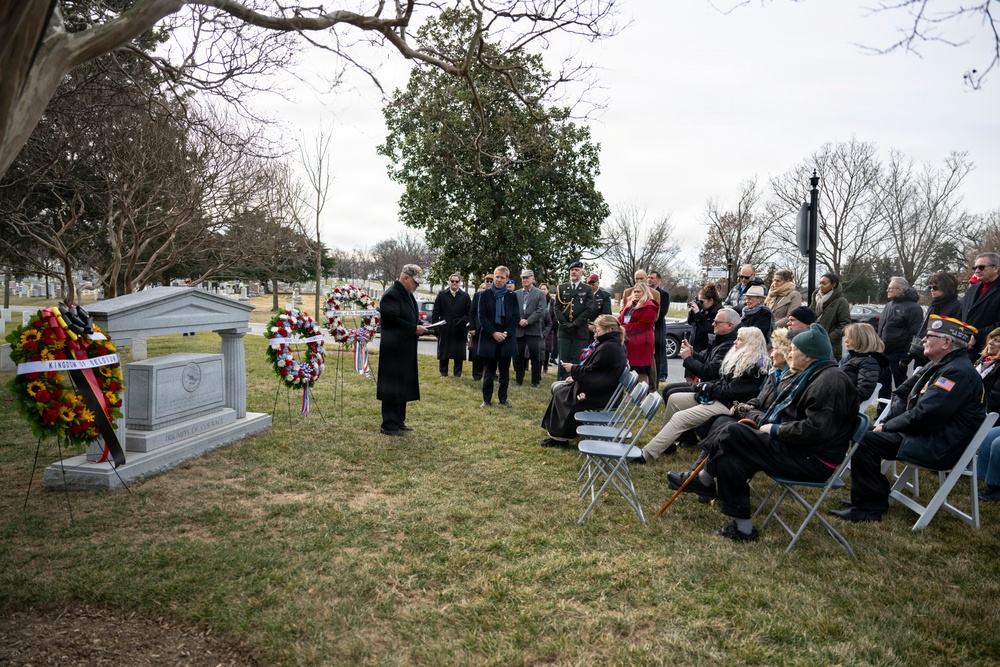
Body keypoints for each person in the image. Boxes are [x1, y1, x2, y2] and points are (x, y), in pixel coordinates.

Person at [669, 323, 859, 541]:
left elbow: (817, 430)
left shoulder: (830, 381)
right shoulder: (813, 374)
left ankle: (703, 479)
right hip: (799, 448)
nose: (789, 354)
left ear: (808, 355)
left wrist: (775, 429)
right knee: (731, 453)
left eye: (793, 350)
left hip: (813, 460)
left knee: (733, 431)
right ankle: (743, 529)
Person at [833, 315, 985, 523]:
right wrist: (888, 424)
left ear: (946, 342)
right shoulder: (941, 364)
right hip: (926, 435)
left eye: (929, 336)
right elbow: (902, 393)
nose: (923, 340)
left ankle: (868, 508)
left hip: (938, 444)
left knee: (866, 440)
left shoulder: (956, 372)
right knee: (867, 434)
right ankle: (872, 498)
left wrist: (887, 426)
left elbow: (926, 414)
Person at [638, 326, 769, 462]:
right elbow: (722, 381)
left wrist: (706, 387)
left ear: (751, 343)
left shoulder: (755, 367)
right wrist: (705, 387)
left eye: (739, 339)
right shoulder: (741, 357)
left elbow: (731, 392)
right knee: (674, 399)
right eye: (736, 338)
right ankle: (666, 445)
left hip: (731, 405)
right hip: (719, 397)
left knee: (681, 417)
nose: (735, 342)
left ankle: (646, 453)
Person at [540, 315, 629, 447]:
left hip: (601, 394)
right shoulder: (610, 344)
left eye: (598, 330)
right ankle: (561, 433)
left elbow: (594, 373)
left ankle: (561, 437)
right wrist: (576, 375)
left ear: (609, 330)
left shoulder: (609, 347)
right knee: (562, 390)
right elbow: (596, 371)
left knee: (561, 394)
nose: (595, 333)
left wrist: (574, 369)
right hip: (602, 389)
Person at [376, 264, 429, 436]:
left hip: (405, 348)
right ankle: (389, 424)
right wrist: (414, 328)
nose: (417, 286)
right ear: (405, 278)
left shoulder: (408, 295)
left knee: (402, 386)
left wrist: (421, 325)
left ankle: (399, 420)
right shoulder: (391, 295)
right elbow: (393, 320)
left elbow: (410, 317)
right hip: (393, 350)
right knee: (392, 386)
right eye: (415, 282)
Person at [477, 266, 519, 407]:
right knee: (489, 372)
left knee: (504, 372)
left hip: (506, 338)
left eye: (502, 277)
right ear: (493, 277)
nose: (499, 280)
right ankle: (486, 400)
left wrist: (506, 333)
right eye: (497, 277)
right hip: (490, 337)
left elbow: (516, 316)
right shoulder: (484, 294)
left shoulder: (512, 296)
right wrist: (494, 333)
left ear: (506, 279)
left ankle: (503, 399)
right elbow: (482, 317)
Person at [902, 271, 962, 368]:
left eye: (936, 287)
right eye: (930, 287)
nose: (932, 290)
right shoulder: (934, 305)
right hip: (923, 352)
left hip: (940, 355)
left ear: (947, 287)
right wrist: (908, 354)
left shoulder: (957, 306)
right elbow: (922, 329)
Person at [877, 276, 923, 400]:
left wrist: (906, 357)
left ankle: (899, 411)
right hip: (883, 353)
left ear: (900, 290)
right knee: (882, 385)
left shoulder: (913, 308)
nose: (887, 290)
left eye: (890, 288)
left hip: (898, 355)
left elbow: (915, 335)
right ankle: (881, 412)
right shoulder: (888, 305)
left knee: (901, 387)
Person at [554, 260, 595, 380]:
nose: (574, 272)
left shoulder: (587, 289)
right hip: (564, 330)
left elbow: (588, 309)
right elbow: (557, 307)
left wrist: (575, 324)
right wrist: (565, 324)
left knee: (577, 361)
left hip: (580, 331)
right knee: (563, 360)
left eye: (577, 270)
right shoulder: (561, 288)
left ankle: (574, 385)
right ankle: (560, 385)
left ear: (582, 272)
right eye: (572, 270)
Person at [973, 328, 1000, 501]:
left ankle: (995, 486)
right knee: (988, 437)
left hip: (992, 413)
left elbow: (995, 399)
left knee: (996, 442)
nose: (991, 342)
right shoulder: (985, 362)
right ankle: (980, 477)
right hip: (980, 408)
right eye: (991, 339)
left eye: (997, 340)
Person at [618, 282, 659, 387]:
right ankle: (630, 394)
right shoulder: (629, 304)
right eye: (634, 291)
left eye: (638, 292)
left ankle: (643, 394)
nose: (636, 294)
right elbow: (621, 319)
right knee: (629, 369)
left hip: (642, 343)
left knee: (641, 371)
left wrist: (622, 328)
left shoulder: (650, 306)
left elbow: (643, 325)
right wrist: (616, 325)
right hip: (629, 341)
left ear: (644, 292)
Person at [431, 273, 472, 378]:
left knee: (458, 351)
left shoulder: (465, 296)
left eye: (457, 281)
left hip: (459, 327)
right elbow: (436, 312)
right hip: (445, 326)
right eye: (452, 281)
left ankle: (457, 373)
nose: (454, 283)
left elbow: (469, 313)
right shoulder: (441, 295)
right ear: (449, 282)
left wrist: (463, 320)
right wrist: (435, 327)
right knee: (444, 351)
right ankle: (443, 372)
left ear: (459, 283)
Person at [961, 253, 1000, 357]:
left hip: (988, 351)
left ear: (996, 268)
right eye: (975, 267)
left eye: (981, 267)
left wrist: (978, 336)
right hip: (963, 347)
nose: (977, 271)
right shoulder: (972, 289)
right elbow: (962, 314)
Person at [513, 269, 547, 388]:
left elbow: (541, 311)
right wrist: (519, 320)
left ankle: (535, 381)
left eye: (527, 277)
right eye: (523, 278)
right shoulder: (516, 294)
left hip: (533, 329)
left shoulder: (540, 294)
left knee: (535, 357)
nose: (525, 280)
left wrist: (528, 321)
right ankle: (519, 380)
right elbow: (513, 310)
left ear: (533, 279)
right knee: (518, 356)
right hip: (519, 330)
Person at [840, 323, 888, 404]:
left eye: (850, 338)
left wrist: (835, 399)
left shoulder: (869, 362)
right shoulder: (852, 356)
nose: (845, 340)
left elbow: (863, 392)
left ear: (862, 340)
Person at [811, 272, 851, 360]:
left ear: (833, 285)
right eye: (820, 283)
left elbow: (845, 324)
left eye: (824, 283)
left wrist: (828, 338)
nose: (821, 286)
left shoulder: (841, 301)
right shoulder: (816, 298)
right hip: (813, 341)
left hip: (831, 346)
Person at [468, 274, 493, 382]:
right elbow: (472, 312)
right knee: (476, 354)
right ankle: (477, 375)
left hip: (491, 330)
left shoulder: (496, 295)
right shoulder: (477, 295)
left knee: (490, 354)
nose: (488, 283)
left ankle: (489, 374)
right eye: (487, 281)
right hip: (478, 329)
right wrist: (472, 327)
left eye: (490, 281)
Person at [649, 271, 672, 384]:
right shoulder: (646, 293)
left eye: (652, 278)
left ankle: (662, 374)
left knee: (660, 351)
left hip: (658, 327)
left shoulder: (663, 294)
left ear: (659, 281)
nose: (649, 280)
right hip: (648, 328)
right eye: (648, 277)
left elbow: (662, 312)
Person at [687, 283, 722, 354]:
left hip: (706, 350)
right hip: (694, 347)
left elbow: (708, 328)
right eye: (698, 300)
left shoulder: (719, 312)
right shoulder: (703, 310)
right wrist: (693, 311)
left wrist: (698, 314)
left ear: (711, 301)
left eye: (701, 301)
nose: (700, 303)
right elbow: (690, 322)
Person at [540, 284, 557, 371]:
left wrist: (551, 325)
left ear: (548, 290)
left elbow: (555, 315)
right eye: (541, 289)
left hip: (549, 328)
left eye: (545, 289)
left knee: (547, 349)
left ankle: (545, 367)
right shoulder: (538, 300)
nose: (543, 291)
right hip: (539, 327)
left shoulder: (552, 301)